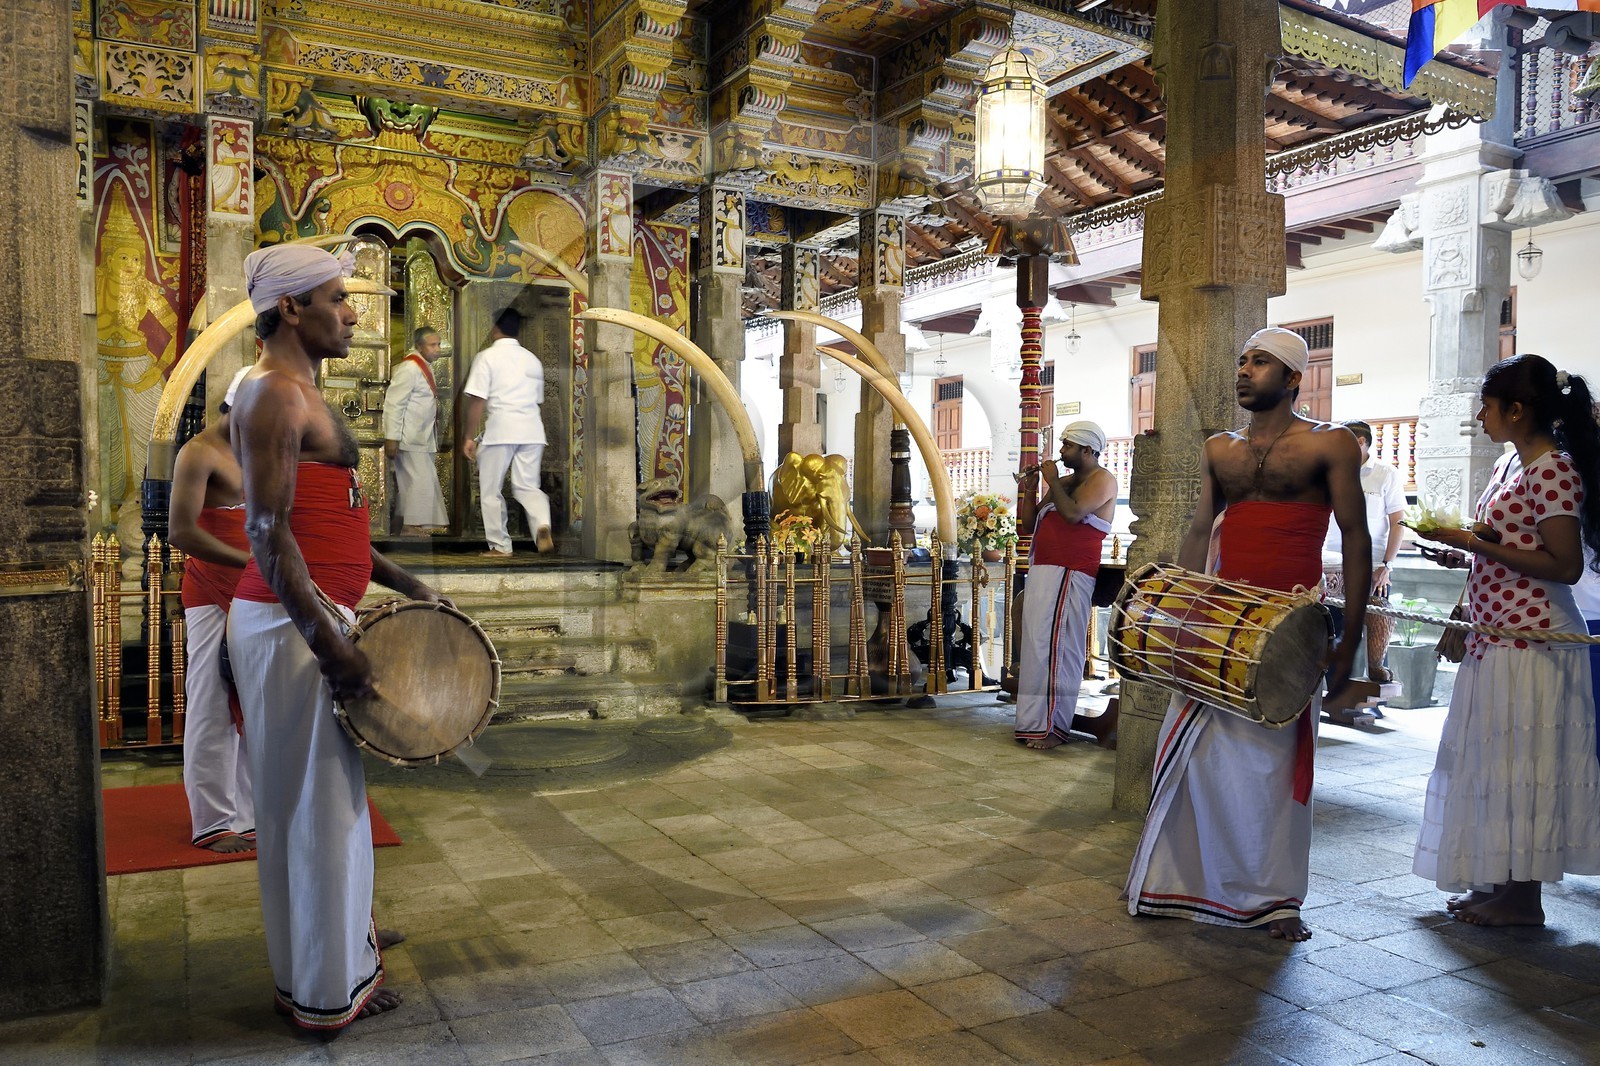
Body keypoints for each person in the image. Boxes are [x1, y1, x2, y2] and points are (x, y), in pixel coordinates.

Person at [228, 244, 446, 1034]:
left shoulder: (295, 390)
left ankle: (336, 971)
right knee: (317, 815)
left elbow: (331, 522)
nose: (353, 312)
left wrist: (409, 584)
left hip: (310, 618)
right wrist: (331, 646)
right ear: (290, 308)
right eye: (337, 297)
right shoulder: (271, 396)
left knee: (330, 810)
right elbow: (265, 530)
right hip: (295, 629)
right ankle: (323, 995)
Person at [1124, 327, 1370, 942]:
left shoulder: (1332, 444)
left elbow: (1358, 538)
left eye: (1260, 362)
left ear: (1292, 378)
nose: (1244, 370)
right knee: (1201, 760)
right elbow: (1201, 525)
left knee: (1270, 765)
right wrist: (1176, 608)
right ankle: (1184, 883)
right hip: (1217, 620)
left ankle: (1272, 897)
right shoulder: (1219, 448)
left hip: (1288, 626)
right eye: (1241, 359)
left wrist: (1350, 639)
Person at [1410, 354, 1600, 927]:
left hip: (1534, 641)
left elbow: (1564, 565)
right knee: (1493, 761)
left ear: (1518, 410)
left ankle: (1524, 899)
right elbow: (1501, 543)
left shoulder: (1553, 471)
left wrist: (1474, 543)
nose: (1479, 416)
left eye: (1488, 406)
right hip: (1497, 635)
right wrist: (1460, 553)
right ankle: (1502, 882)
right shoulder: (1508, 466)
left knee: (1525, 763)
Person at [168, 367, 255, 853]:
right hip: (211, 588)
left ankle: (247, 813)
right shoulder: (199, 452)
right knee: (211, 699)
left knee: (253, 699)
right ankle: (213, 820)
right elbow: (181, 532)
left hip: (256, 587)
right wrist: (250, 561)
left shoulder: (258, 448)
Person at [1013, 421, 1118, 748]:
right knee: (1037, 649)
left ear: (1088, 450)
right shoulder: (1065, 481)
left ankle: (1053, 729)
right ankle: (1032, 723)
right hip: (1045, 572)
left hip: (1071, 573)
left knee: (1060, 650)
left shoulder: (1103, 480)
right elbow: (1027, 526)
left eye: (1067, 446)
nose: (1061, 452)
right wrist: (1031, 489)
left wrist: (1053, 481)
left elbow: (1072, 514)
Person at [1321, 419, 1407, 721]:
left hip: (1372, 566)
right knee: (1333, 628)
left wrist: (1387, 565)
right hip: (1331, 564)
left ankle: (1370, 690)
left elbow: (1398, 522)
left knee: (1376, 620)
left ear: (1360, 443)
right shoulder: (1330, 471)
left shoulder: (1385, 474)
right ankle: (1333, 695)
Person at [460, 308, 553, 557]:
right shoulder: (532, 359)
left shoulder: (487, 357)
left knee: (491, 490)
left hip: (501, 429)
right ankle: (542, 524)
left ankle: (500, 546)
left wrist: (469, 436)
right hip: (532, 430)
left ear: (494, 329)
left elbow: (478, 400)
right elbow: (538, 400)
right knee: (527, 487)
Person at [383, 327, 448, 535]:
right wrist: (392, 437)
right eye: (432, 345)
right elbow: (394, 403)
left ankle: (404, 523)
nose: (437, 349)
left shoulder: (423, 367)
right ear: (419, 346)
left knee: (418, 479)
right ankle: (411, 526)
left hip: (421, 436)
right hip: (409, 436)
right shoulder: (410, 367)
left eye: (438, 344)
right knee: (418, 480)